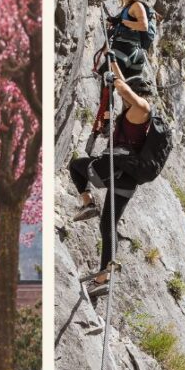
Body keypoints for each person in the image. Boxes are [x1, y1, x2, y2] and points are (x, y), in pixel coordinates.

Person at [69, 58, 151, 297]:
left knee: (76, 166)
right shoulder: (134, 110)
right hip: (126, 179)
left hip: (115, 172)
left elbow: (124, 88)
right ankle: (103, 278)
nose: (123, 99)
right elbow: (124, 85)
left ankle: (88, 202)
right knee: (108, 226)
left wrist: (113, 80)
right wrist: (113, 61)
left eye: (128, 95)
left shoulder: (142, 108)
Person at [88, 0, 151, 150]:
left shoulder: (137, 5)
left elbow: (143, 25)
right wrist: (117, 23)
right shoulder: (129, 8)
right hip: (135, 55)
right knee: (127, 94)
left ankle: (107, 122)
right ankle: (127, 131)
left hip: (125, 51)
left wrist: (120, 21)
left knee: (108, 84)